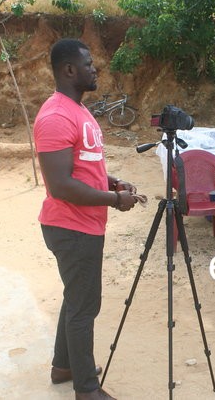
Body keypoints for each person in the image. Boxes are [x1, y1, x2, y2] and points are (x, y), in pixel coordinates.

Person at [34, 38, 139, 400]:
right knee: (84, 306)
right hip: (71, 226)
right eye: (88, 63)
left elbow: (84, 166)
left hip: (84, 225)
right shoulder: (56, 116)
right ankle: (87, 390)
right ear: (68, 70)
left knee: (76, 298)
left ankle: (64, 366)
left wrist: (112, 182)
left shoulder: (80, 111)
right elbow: (60, 184)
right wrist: (114, 199)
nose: (95, 68)